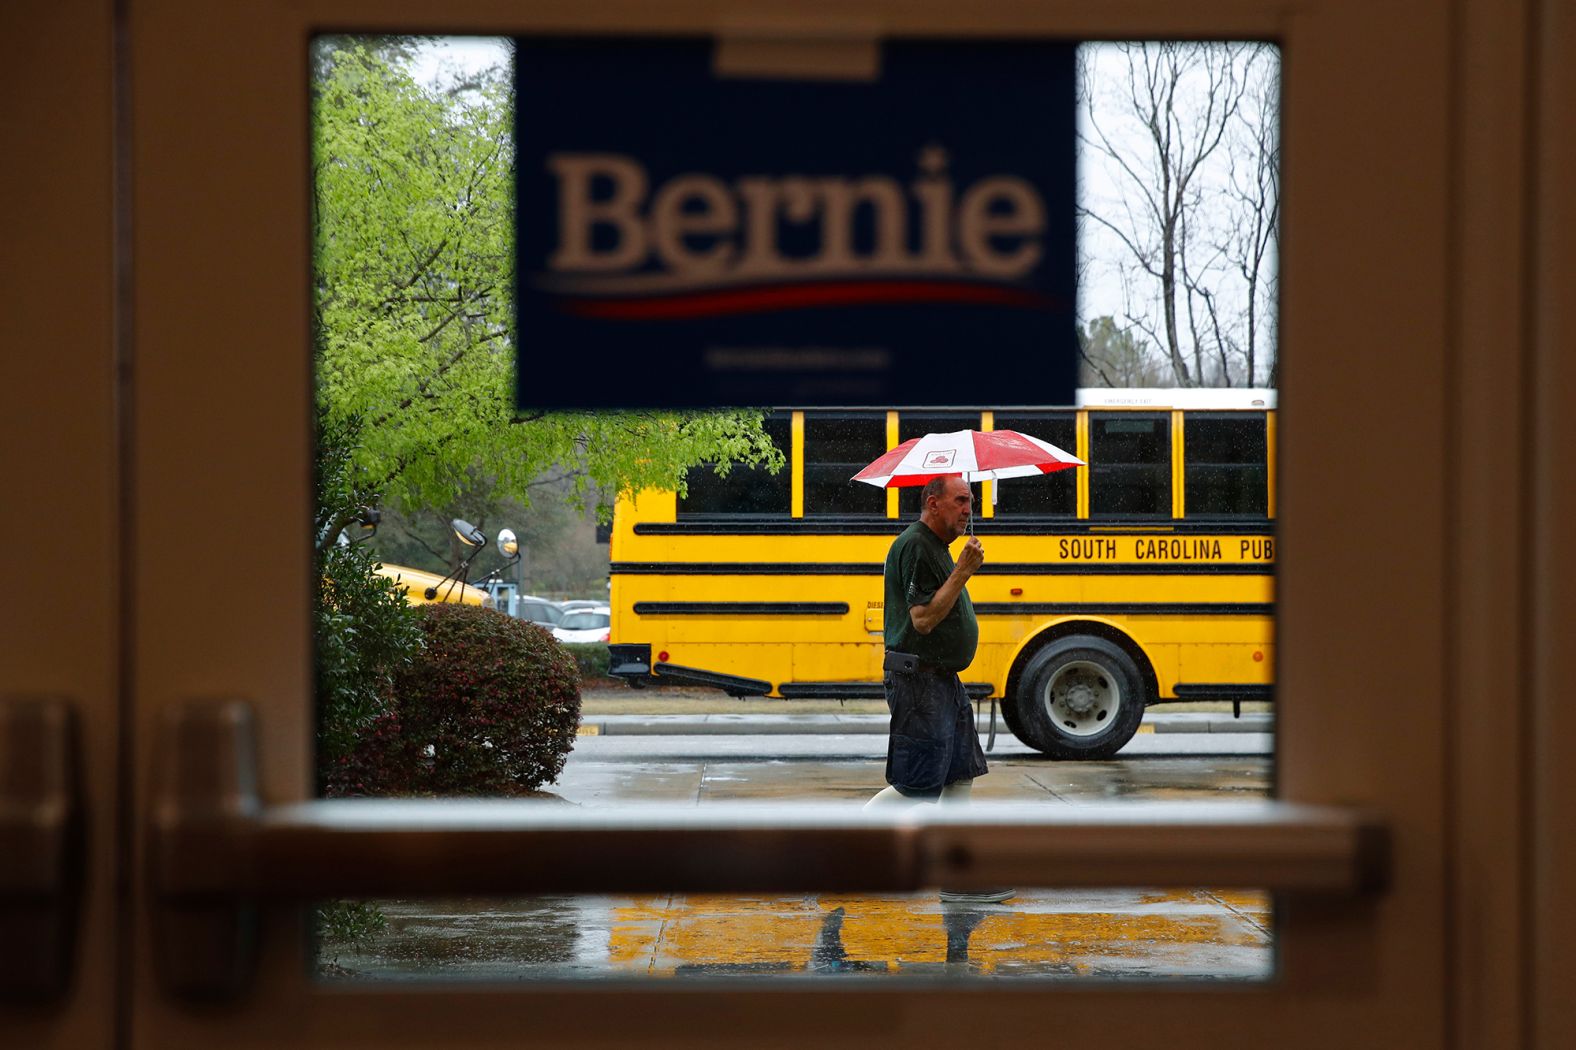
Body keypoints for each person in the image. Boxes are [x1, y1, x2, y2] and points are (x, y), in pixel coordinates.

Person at [865, 473, 1013, 904]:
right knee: (919, 785)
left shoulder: (938, 550)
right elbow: (923, 620)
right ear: (933, 503)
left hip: (941, 680)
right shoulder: (916, 545)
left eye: (971, 502)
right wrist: (964, 572)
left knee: (959, 776)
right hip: (919, 679)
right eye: (961, 501)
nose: (969, 510)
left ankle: (958, 875)